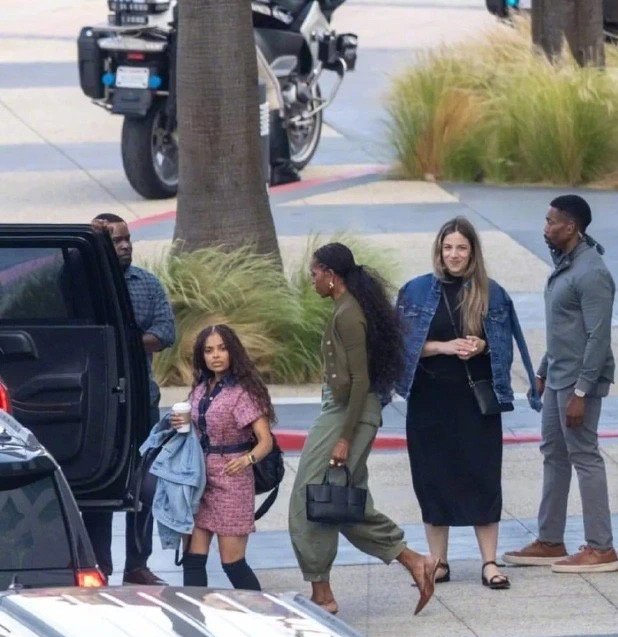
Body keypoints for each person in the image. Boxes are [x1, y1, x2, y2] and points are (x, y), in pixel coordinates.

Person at [288, 242, 441, 616]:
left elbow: (360, 381)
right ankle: (414, 561)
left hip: (347, 415)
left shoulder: (349, 314)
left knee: (309, 498)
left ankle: (323, 595)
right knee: (340, 504)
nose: (311, 280)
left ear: (330, 275)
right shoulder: (345, 308)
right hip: (344, 411)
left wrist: (344, 437)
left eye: (314, 273)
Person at [396, 217, 542, 590]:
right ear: (439, 250)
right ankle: (438, 562)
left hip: (476, 401)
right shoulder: (416, 291)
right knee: (432, 479)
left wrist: (483, 345)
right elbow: (404, 348)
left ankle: (489, 562)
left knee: (483, 477)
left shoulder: (492, 293)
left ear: (473, 251)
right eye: (448, 247)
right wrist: (443, 347)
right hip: (430, 400)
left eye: (461, 247)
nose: (454, 255)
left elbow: (505, 348)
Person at [504, 195, 618, 573]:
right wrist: (542, 370)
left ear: (571, 227)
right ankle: (550, 540)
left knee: (584, 456)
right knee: (554, 454)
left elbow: (598, 338)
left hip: (578, 382)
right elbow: (564, 330)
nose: (545, 227)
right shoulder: (566, 265)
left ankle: (601, 547)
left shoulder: (591, 272)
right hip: (557, 377)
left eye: (551, 222)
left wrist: (582, 392)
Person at [82, 213, 175, 584]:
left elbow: (165, 332)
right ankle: (99, 565)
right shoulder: (78, 284)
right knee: (99, 480)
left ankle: (137, 565)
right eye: (115, 240)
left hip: (140, 401)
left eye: (127, 239)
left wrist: (122, 340)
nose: (124, 246)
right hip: (97, 403)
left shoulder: (146, 284)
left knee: (145, 484)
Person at [170, 324, 274, 590]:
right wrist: (183, 422)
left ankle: (258, 611)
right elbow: (199, 427)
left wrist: (247, 459)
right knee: (193, 558)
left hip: (232, 479)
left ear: (232, 352)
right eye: (208, 350)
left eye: (222, 348)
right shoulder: (201, 389)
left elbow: (265, 441)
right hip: (199, 477)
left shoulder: (244, 392)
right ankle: (194, 613)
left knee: (232, 562)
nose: (215, 355)